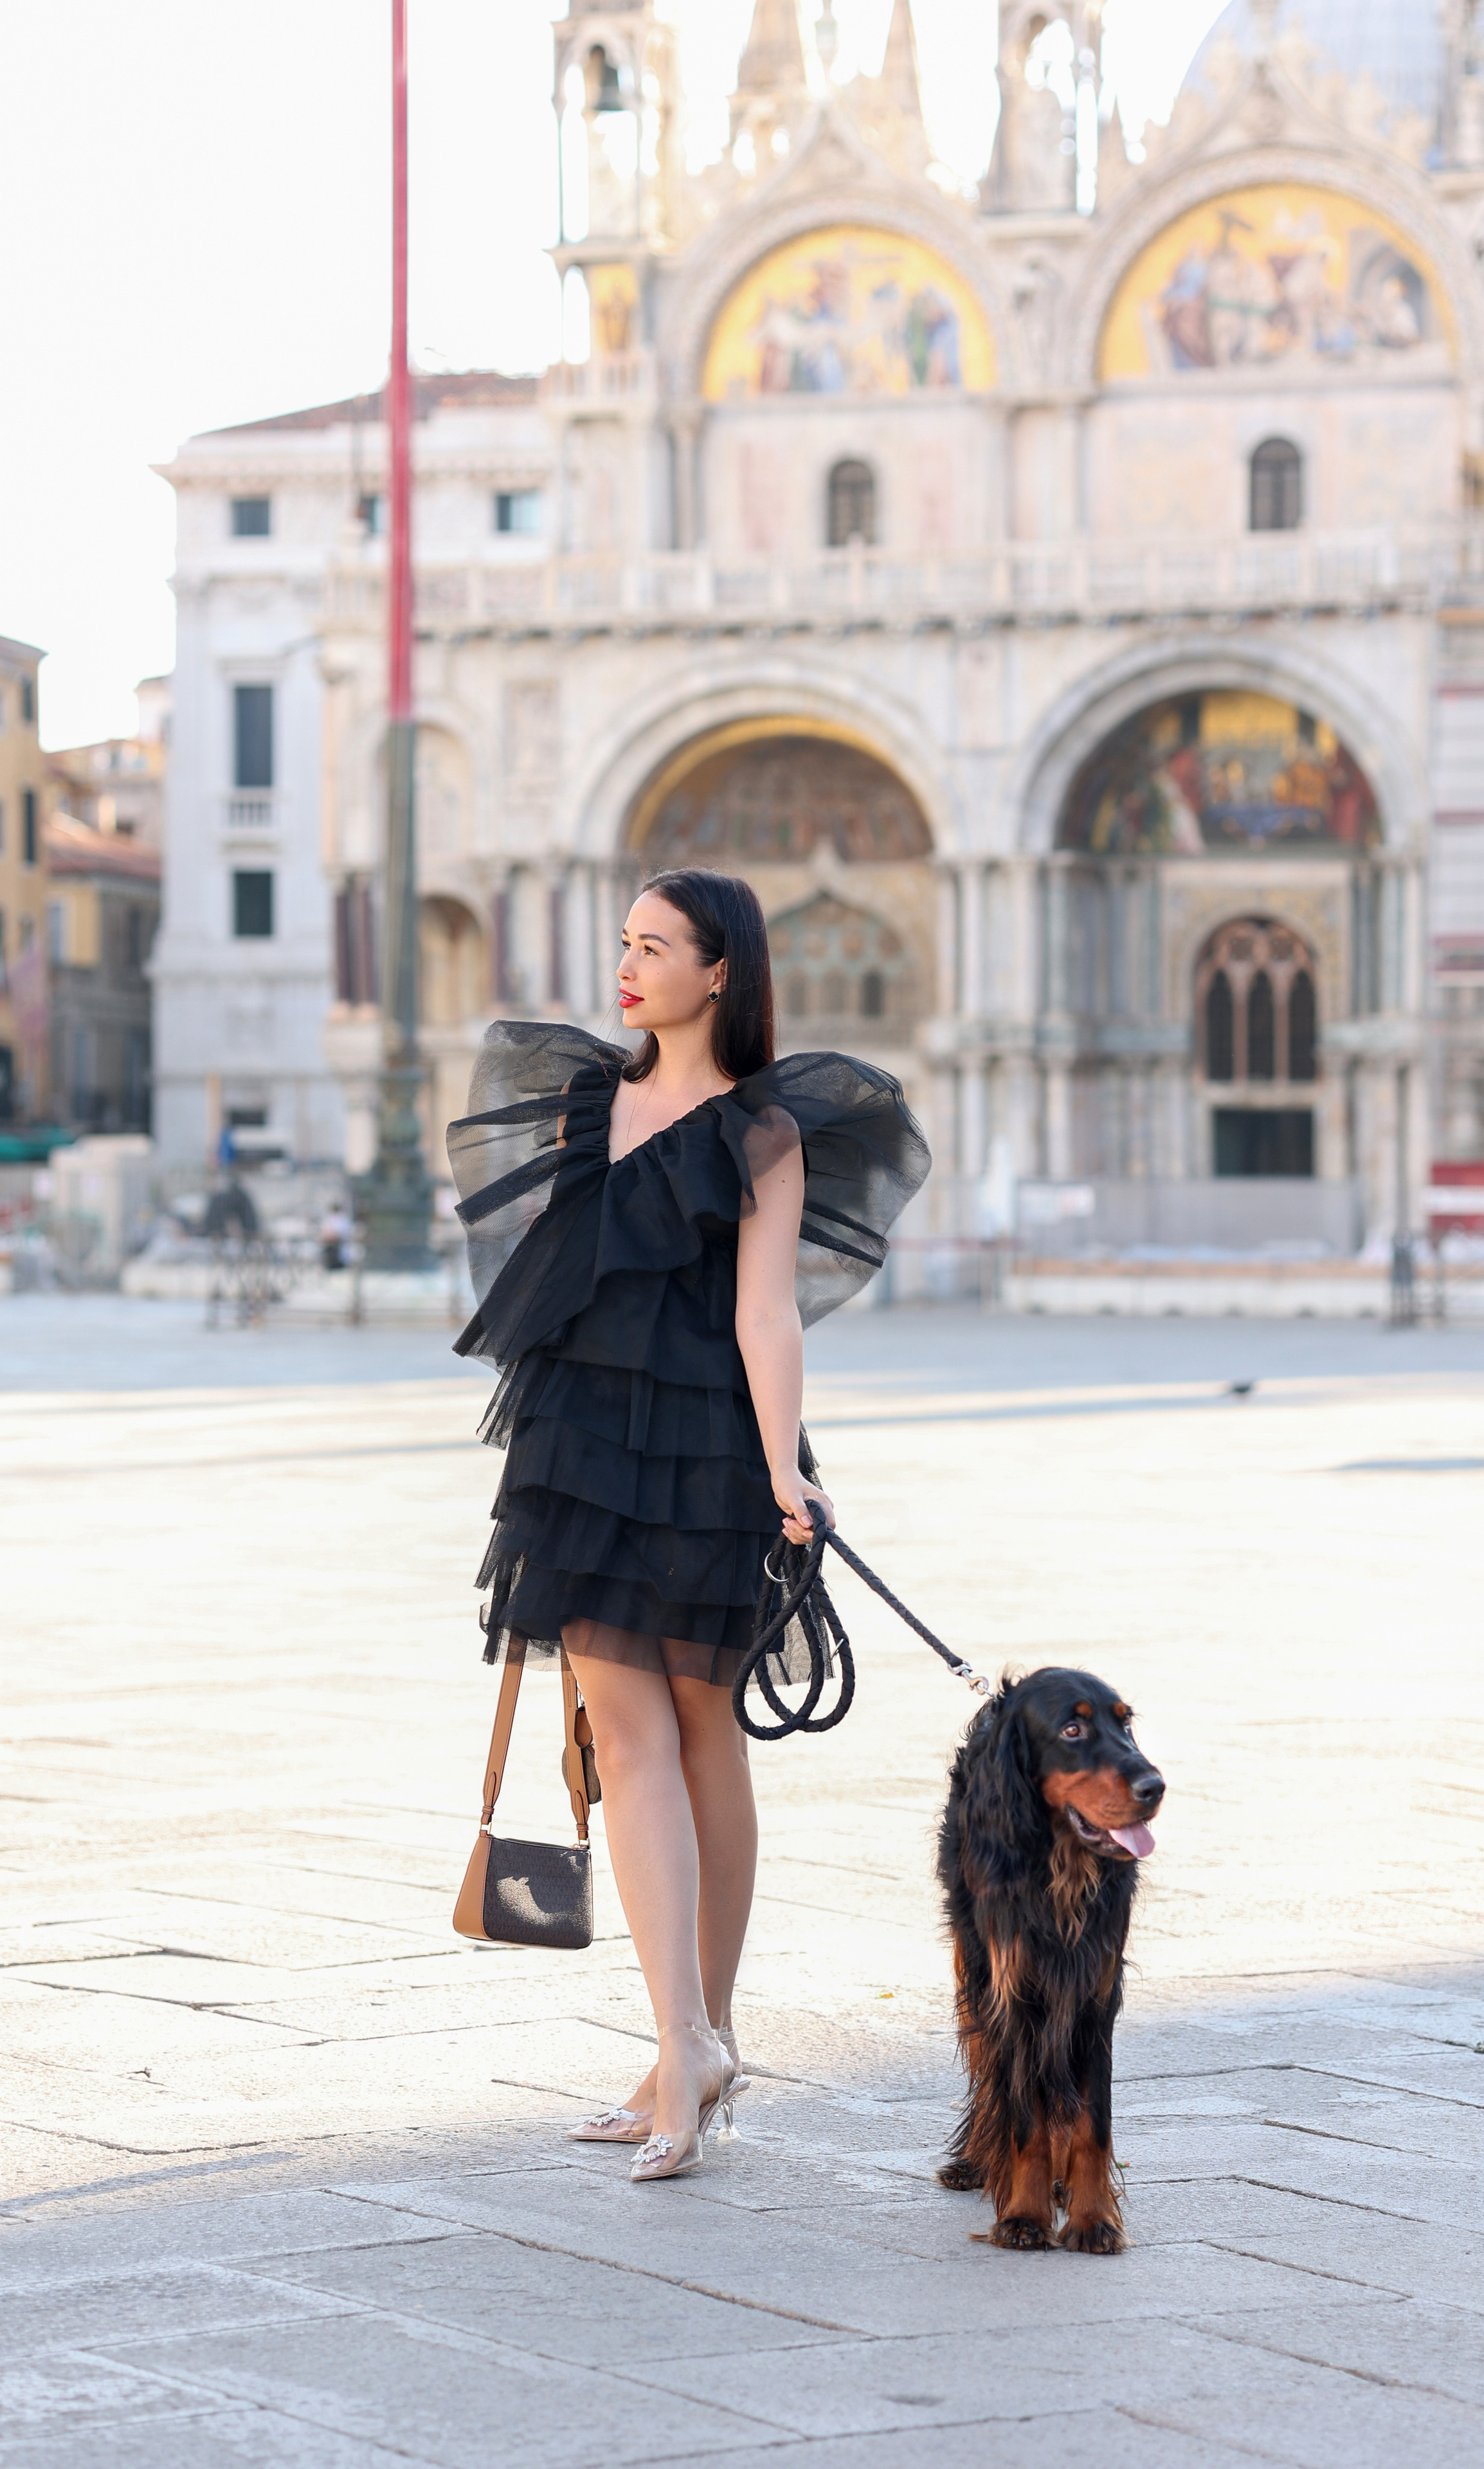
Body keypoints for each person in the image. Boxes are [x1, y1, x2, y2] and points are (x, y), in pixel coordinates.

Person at [447, 869, 929, 2182]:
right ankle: (686, 2041)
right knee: (628, 1737)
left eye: (654, 947)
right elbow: (559, 1273)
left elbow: (763, 1314)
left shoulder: (763, 1131)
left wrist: (784, 1466)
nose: (627, 965)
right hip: (584, 1438)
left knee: (702, 1731)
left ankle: (688, 2049)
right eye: (624, 943)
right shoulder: (584, 1098)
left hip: (712, 1443)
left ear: (720, 973)